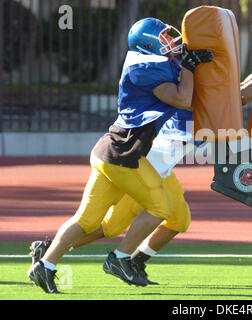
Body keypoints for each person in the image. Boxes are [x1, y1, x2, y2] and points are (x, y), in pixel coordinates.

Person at [29, 48, 252, 286]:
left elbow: (236, 92)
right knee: (111, 226)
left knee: (179, 220)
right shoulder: (189, 91)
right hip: (141, 166)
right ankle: (53, 251)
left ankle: (136, 261)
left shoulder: (195, 83)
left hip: (161, 168)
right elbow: (239, 97)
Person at [27, 17, 213, 294]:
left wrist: (194, 56)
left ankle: (45, 264)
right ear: (149, 45)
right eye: (164, 39)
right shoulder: (144, 67)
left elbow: (188, 80)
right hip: (124, 154)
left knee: (87, 220)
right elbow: (183, 99)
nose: (171, 42)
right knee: (160, 208)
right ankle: (120, 259)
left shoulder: (153, 61)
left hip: (110, 151)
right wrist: (188, 64)